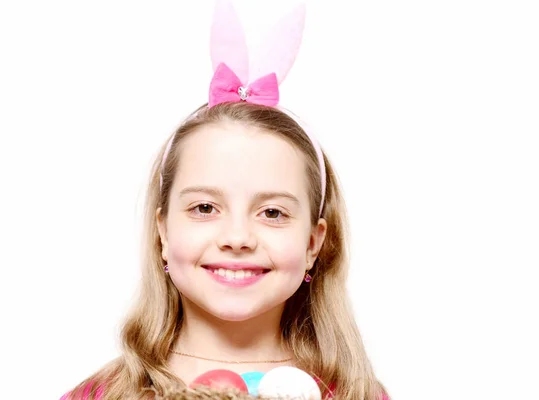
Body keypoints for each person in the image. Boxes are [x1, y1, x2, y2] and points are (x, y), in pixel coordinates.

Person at [61, 1, 389, 399]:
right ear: (162, 231)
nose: (237, 237)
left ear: (313, 243)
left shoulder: (356, 394)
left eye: (272, 212)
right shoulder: (103, 395)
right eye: (204, 208)